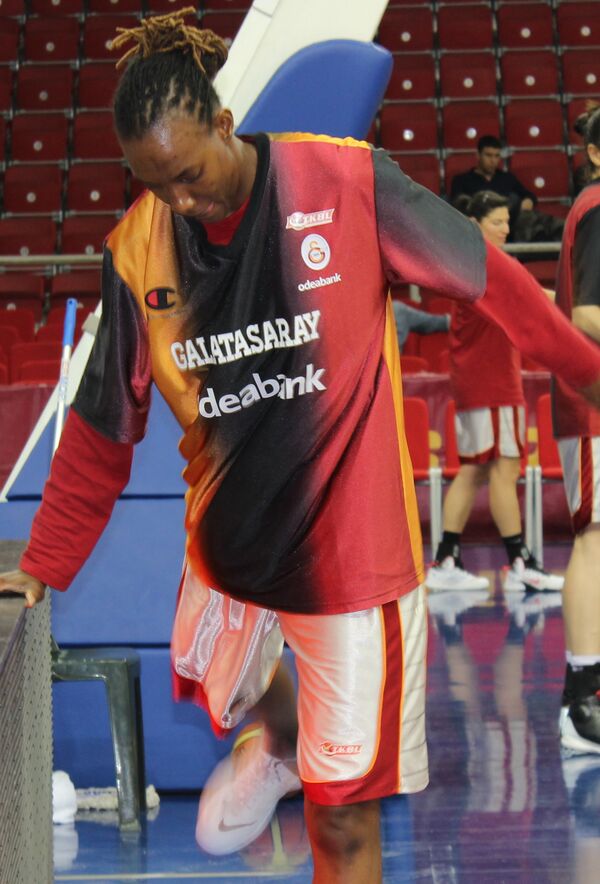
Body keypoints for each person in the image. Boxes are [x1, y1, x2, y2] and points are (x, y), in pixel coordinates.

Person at [2, 11, 600, 882]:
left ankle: (306, 758)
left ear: (223, 124)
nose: (180, 201)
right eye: (155, 184)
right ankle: (282, 737)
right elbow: (100, 431)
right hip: (230, 559)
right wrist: (43, 565)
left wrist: (586, 371)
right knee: (202, 668)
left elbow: (487, 277)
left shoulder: (343, 181)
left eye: (190, 175)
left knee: (344, 820)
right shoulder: (137, 251)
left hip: (350, 565)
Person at [426, 191, 564, 594]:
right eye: (497, 222)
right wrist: (579, 302)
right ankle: (519, 562)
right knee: (504, 469)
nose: (506, 229)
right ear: (474, 223)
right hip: (492, 383)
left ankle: (446, 559)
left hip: (479, 382)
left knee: (475, 471)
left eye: (507, 221)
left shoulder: (468, 262)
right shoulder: (486, 264)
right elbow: (535, 300)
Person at [552, 104, 600, 755]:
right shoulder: (598, 207)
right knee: (594, 541)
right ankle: (580, 702)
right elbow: (588, 314)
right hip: (591, 402)